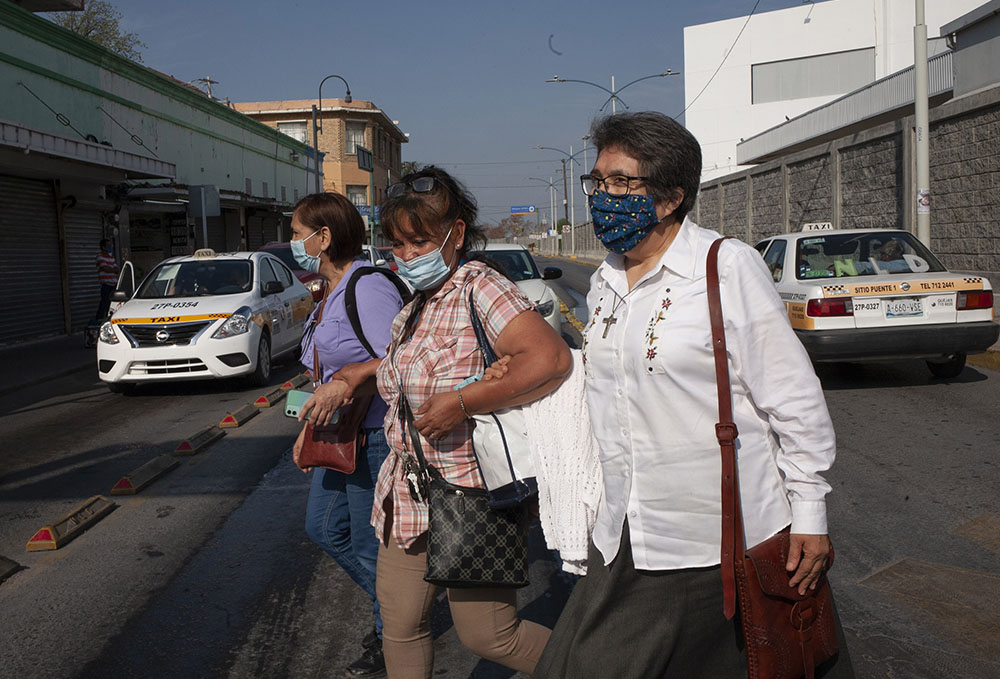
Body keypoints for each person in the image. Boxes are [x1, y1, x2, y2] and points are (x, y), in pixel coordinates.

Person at [534, 112, 853, 678]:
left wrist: (809, 512)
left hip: (716, 540)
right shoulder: (607, 281)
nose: (603, 196)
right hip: (625, 528)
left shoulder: (724, 267)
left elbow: (795, 400)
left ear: (669, 198)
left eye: (621, 182)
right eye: (598, 181)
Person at [330, 167, 572, 678]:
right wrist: (361, 374)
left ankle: (603, 668)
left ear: (455, 234)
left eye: (418, 243)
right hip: (407, 492)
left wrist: (463, 400)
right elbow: (406, 370)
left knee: (490, 636)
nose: (406, 257)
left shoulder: (479, 287)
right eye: (397, 246)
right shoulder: (415, 306)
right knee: (400, 624)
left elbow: (549, 358)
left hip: (470, 495)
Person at [290, 192, 405, 678]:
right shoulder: (329, 292)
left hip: (374, 434)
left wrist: (352, 376)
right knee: (323, 528)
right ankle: (401, 610)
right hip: (337, 434)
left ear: (324, 238)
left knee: (364, 545)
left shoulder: (368, 287)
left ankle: (394, 631)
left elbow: (399, 358)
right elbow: (324, 371)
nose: (292, 243)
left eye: (297, 235)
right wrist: (306, 428)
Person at [95, 238, 119, 320]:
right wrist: (112, 270)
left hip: (114, 285)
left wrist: (111, 269)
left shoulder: (111, 258)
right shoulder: (99, 257)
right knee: (104, 303)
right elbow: (106, 269)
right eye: (108, 246)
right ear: (103, 247)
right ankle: (99, 319)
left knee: (113, 304)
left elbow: (117, 269)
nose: (110, 247)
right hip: (106, 285)